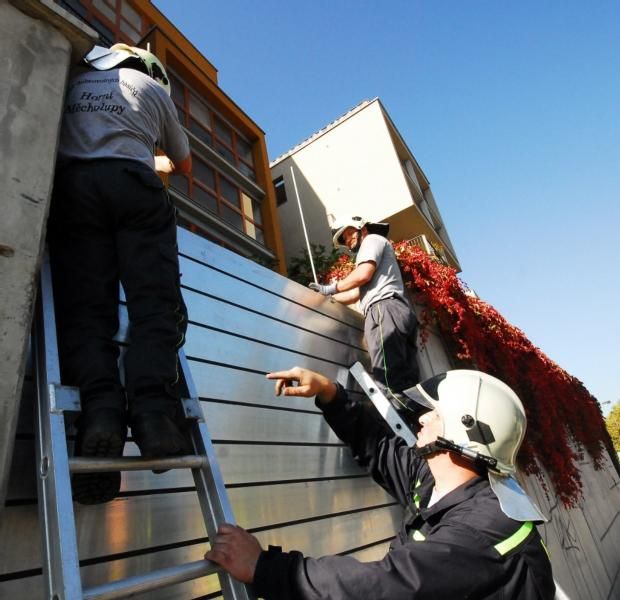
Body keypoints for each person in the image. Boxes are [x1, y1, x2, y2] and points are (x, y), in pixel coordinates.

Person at [205, 366, 556, 599]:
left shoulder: (482, 530)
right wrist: (329, 392)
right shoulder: (441, 486)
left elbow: (384, 585)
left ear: (463, 432)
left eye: (435, 413)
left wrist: (263, 567)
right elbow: (382, 450)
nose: (424, 418)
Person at [48, 44, 192, 504]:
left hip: (73, 191)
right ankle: (153, 414)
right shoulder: (151, 87)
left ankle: (101, 412)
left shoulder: (71, 84)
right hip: (134, 190)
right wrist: (152, 157)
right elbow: (183, 163)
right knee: (154, 303)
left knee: (88, 311)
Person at [309, 215, 420, 401]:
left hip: (384, 310)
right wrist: (326, 299)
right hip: (396, 311)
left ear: (363, 229)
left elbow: (363, 274)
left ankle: (401, 425)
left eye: (350, 233)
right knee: (407, 384)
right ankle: (421, 423)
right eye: (344, 239)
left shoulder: (371, 240)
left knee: (389, 384)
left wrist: (330, 288)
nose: (348, 240)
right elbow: (356, 294)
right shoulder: (378, 250)